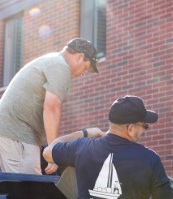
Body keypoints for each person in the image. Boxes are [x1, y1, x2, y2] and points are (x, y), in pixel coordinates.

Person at [0, 38, 99, 175]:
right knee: (27, 188)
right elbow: (51, 107)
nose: (82, 74)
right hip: (17, 133)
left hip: (12, 133)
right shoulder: (61, 66)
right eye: (85, 68)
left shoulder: (52, 61)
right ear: (80, 57)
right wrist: (53, 152)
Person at [43, 95, 173, 199]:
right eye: (144, 126)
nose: (144, 130)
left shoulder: (81, 147)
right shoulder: (150, 159)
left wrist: (86, 132)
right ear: (131, 128)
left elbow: (47, 152)